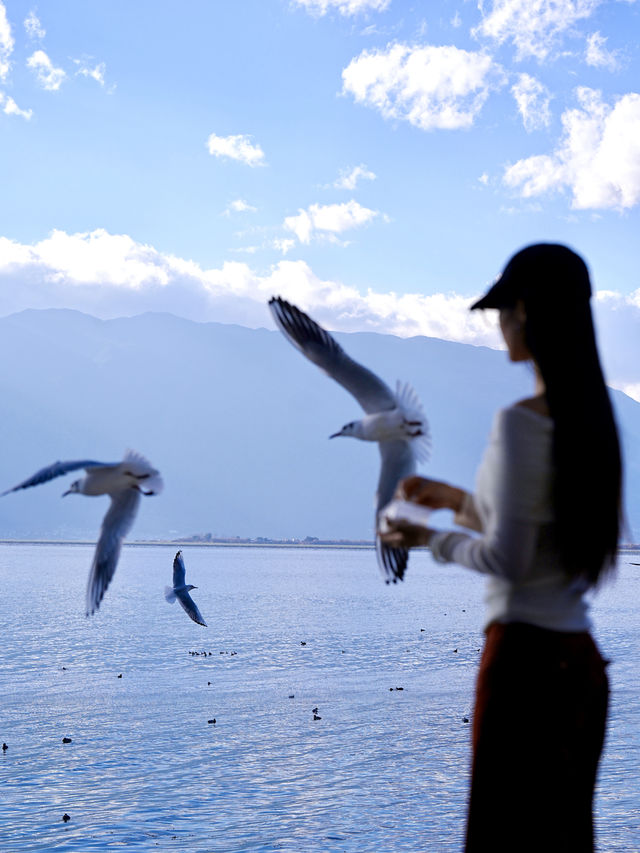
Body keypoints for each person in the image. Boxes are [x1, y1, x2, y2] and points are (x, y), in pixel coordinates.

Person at [380, 243, 623, 852]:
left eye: (503, 309)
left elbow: (508, 561)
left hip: (525, 666)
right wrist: (456, 501)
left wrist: (425, 536)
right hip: (580, 664)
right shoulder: (592, 422)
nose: (498, 323)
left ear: (524, 312)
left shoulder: (519, 421)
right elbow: (538, 532)